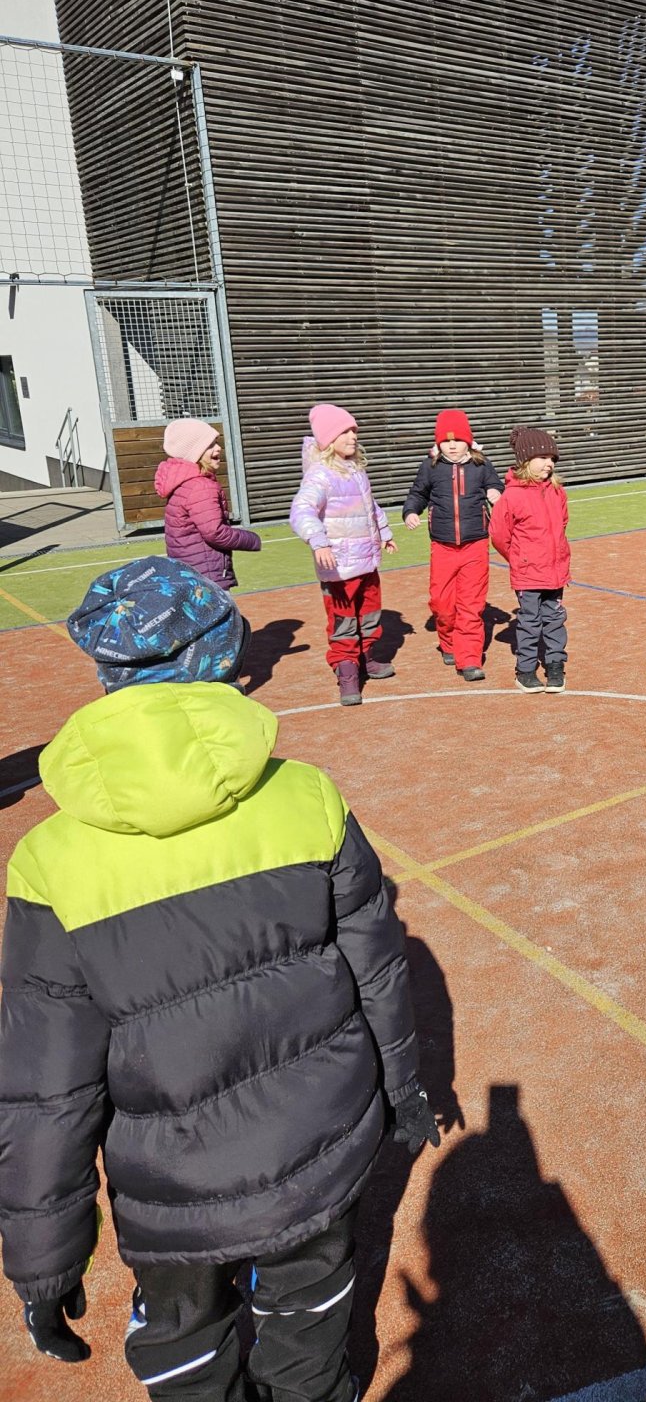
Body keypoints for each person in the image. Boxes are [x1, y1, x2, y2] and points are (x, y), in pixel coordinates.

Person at [0, 557, 439, 1399]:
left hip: (170, 1187)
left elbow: (43, 1084)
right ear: (220, 658)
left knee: (185, 1349)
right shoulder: (308, 797)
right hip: (316, 1148)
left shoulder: (49, 861)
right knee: (310, 1331)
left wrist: (43, 1260)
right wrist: (404, 1088)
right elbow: (378, 969)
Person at [290, 403, 397, 707]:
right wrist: (318, 541)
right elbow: (302, 510)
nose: (353, 436)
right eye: (345, 432)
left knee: (369, 613)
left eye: (354, 430)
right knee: (343, 620)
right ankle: (347, 671)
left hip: (366, 561)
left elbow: (370, 506)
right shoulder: (320, 475)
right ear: (328, 439)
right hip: (338, 567)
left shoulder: (356, 470)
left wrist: (384, 532)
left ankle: (367, 657)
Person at [402, 410, 504, 682]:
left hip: (476, 544)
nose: (452, 446)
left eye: (457, 440)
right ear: (438, 443)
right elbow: (418, 493)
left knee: (471, 604)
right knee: (442, 604)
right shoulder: (430, 466)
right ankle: (448, 641)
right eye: (446, 441)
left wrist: (496, 493)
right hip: (443, 546)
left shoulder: (481, 464)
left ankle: (469, 659)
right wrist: (410, 511)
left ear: (468, 441)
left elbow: (496, 485)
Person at [489, 426, 570, 693]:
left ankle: (555, 665)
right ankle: (525, 671)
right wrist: (519, 557)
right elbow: (499, 535)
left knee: (555, 620)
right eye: (543, 457)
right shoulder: (512, 496)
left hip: (555, 572)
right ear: (525, 460)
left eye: (552, 459)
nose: (549, 463)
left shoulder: (557, 491)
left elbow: (562, 523)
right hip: (528, 573)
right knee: (530, 622)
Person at [154, 418, 261, 590]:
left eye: (216, 442)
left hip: (188, 573)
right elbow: (215, 532)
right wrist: (252, 540)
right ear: (195, 453)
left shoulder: (183, 482)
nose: (218, 448)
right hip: (206, 576)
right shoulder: (201, 487)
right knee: (220, 608)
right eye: (210, 445)